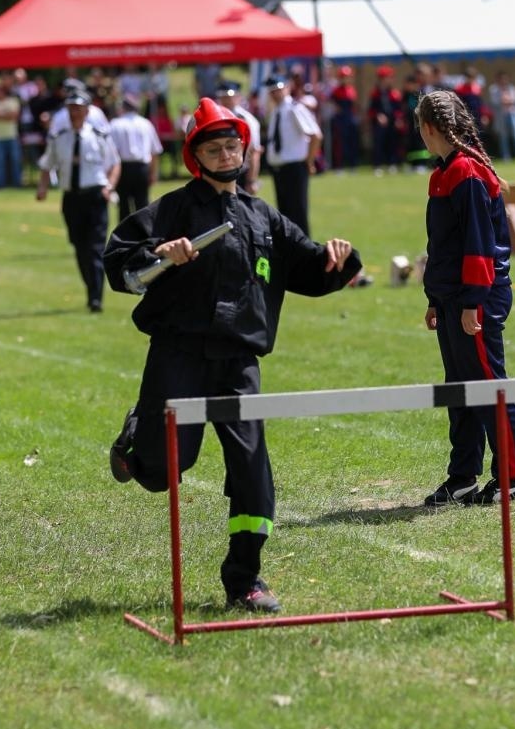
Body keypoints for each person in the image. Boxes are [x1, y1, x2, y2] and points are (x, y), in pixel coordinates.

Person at [103, 97, 362, 613]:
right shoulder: (172, 209)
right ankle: (136, 440)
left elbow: (309, 269)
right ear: (194, 156)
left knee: (251, 470)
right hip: (178, 354)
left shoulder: (263, 217)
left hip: (239, 361)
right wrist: (159, 254)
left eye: (232, 145)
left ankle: (245, 577)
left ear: (244, 149)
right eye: (213, 147)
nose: (225, 154)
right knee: (164, 469)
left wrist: (340, 259)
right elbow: (119, 263)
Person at [415, 88, 515, 507]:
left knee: (487, 384)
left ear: (428, 128)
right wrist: (434, 297)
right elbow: (442, 244)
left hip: (476, 297)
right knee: (458, 388)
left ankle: (512, 477)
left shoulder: (468, 172)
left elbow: (479, 244)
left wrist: (471, 302)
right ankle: (463, 475)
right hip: (451, 298)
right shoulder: (441, 173)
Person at [36, 87, 121, 312]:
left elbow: (115, 163)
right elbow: (47, 164)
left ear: (87, 111)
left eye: (79, 108)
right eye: (71, 108)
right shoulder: (59, 138)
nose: (75, 113)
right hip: (71, 198)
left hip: (95, 195)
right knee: (79, 246)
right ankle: (91, 286)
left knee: (95, 247)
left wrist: (109, 187)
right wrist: (42, 188)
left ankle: (96, 298)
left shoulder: (99, 136)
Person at [263, 74, 322, 236]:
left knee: (298, 213)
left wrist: (309, 162)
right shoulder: (276, 111)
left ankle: (305, 253)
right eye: (272, 91)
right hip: (279, 169)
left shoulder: (295, 108)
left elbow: (315, 135)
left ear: (287, 88)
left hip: (294, 167)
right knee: (285, 214)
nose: (275, 94)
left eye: (278, 90)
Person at [109, 92, 163, 220]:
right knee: (142, 204)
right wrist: (153, 172)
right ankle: (143, 235)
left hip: (123, 168)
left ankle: (124, 236)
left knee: (123, 206)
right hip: (142, 168)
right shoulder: (146, 123)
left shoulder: (115, 124)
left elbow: (111, 152)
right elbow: (155, 151)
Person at [214, 77, 263, 193]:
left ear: (238, 97)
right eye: (222, 97)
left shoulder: (247, 120)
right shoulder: (216, 119)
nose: (225, 100)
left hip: (241, 172)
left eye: (229, 97)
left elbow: (255, 151)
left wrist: (251, 180)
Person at [0, 81, 22, 187]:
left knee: (15, 161)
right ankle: (0, 185)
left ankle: (17, 184)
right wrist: (6, 115)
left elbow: (14, 116)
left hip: (12, 136)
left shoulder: (13, 101)